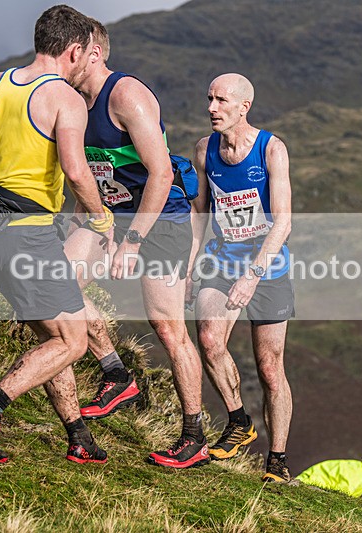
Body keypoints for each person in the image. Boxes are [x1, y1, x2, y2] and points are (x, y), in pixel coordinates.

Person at [0, 5, 113, 465]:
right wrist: (102, 219)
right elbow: (75, 170)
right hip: (27, 232)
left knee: (52, 335)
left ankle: (78, 436)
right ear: (74, 50)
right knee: (72, 340)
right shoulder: (65, 100)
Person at [63, 19, 208, 468]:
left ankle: (194, 435)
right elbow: (83, 172)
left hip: (160, 219)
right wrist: (88, 222)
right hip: (108, 216)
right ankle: (116, 373)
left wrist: (131, 242)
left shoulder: (126, 95)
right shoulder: (68, 101)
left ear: (94, 53)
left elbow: (162, 174)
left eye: (72, 52)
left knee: (167, 328)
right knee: (60, 285)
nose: (64, 62)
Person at [189, 73, 295, 482]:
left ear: (243, 106)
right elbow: (201, 213)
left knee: (270, 369)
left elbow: (282, 223)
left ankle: (278, 461)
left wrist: (253, 275)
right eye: (209, 98)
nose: (211, 108)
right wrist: (190, 264)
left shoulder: (272, 150)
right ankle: (238, 421)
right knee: (210, 341)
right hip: (223, 257)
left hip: (268, 264)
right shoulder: (205, 150)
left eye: (220, 101)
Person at [295, 453, 362, 498]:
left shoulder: (355, 465)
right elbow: (341, 496)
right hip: (310, 486)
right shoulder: (358, 480)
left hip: (307, 477)